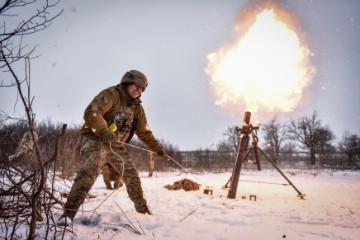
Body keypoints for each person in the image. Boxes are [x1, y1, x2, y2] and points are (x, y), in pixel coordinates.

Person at [58, 70, 165, 225]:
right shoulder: (111, 94)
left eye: (142, 88)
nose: (139, 90)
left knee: (132, 176)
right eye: (136, 85)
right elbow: (92, 112)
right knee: (91, 167)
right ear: (127, 82)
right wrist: (103, 131)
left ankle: (143, 212)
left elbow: (144, 131)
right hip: (95, 139)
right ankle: (68, 214)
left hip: (116, 146)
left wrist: (157, 148)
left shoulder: (138, 109)